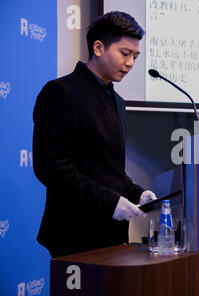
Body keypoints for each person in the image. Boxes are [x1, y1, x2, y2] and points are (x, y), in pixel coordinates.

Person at [33, 11, 156, 258]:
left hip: (112, 234)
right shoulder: (62, 92)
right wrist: (110, 201)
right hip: (75, 235)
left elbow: (106, 167)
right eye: (125, 53)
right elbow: (51, 167)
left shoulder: (117, 101)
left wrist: (136, 192)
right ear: (99, 47)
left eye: (135, 56)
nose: (131, 63)